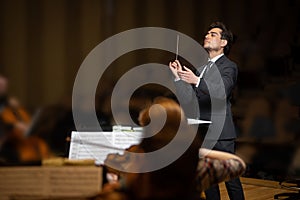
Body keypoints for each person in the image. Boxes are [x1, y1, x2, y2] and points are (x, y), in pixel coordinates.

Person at [95, 97, 245, 200]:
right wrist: (197, 151)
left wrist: (116, 181)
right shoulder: (198, 170)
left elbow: (119, 179)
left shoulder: (138, 167)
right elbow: (238, 164)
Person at [169, 22, 245, 199]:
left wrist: (196, 81)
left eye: (213, 34)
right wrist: (178, 78)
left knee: (230, 179)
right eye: (207, 33)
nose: (207, 36)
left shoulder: (229, 66)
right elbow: (189, 100)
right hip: (202, 131)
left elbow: (222, 91)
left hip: (221, 133)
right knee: (207, 179)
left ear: (224, 43)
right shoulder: (201, 69)